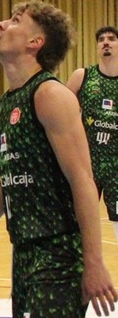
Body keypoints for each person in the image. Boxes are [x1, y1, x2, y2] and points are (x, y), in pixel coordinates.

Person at [0, 0, 117, 318]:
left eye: (15, 20)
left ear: (36, 42)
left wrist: (94, 262)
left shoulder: (50, 94)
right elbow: (1, 187)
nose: (1, 24)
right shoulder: (3, 105)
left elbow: (83, 181)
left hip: (59, 256)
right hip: (24, 254)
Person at [66, 25, 118, 242]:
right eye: (101, 39)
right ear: (97, 47)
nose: (105, 42)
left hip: (116, 167)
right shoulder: (83, 76)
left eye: (111, 38)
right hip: (87, 165)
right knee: (76, 222)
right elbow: (60, 111)